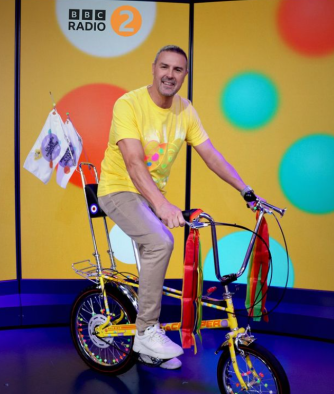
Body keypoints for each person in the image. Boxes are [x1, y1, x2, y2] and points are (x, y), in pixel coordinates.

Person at [98, 45, 257, 369]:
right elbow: (132, 162)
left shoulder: (185, 110)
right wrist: (162, 205)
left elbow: (211, 154)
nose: (170, 74)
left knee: (159, 250)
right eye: (165, 67)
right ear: (153, 68)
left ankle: (146, 349)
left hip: (149, 196)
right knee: (161, 241)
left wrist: (247, 191)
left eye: (178, 70)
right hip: (119, 189)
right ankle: (145, 332)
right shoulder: (129, 104)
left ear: (185, 75)